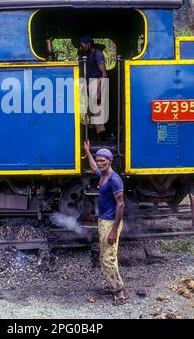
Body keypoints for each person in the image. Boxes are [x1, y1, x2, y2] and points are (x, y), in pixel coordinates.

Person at [83, 140, 128, 306]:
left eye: (103, 160)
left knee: (107, 258)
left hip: (111, 223)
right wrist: (88, 152)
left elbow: (121, 204)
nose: (100, 163)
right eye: (99, 159)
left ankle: (119, 290)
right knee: (107, 257)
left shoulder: (115, 180)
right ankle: (113, 286)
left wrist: (114, 231)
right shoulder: (103, 175)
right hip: (104, 221)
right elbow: (94, 168)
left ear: (110, 161)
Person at [79, 35, 108, 141]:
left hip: (97, 82)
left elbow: (104, 73)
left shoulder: (98, 54)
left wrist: (99, 91)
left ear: (88, 44)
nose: (80, 48)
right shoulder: (86, 55)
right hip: (89, 83)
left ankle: (102, 136)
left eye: (82, 45)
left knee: (96, 110)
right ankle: (94, 135)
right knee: (90, 111)